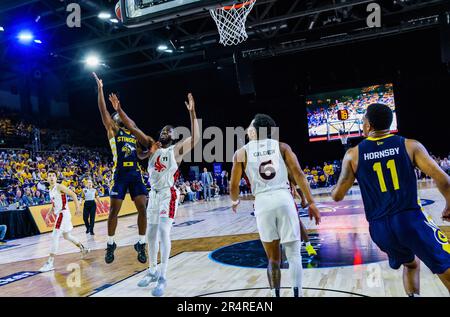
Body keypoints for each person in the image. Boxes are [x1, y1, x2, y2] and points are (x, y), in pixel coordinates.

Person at [331, 103, 450, 296]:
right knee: (445, 263)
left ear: (368, 125)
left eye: (363, 122)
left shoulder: (353, 154)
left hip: (379, 229)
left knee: (411, 264)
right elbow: (443, 179)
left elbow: (337, 195)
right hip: (409, 220)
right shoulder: (409, 145)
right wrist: (449, 205)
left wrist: (332, 190)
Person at [111, 92, 199, 297]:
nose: (165, 132)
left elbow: (196, 137)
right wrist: (119, 110)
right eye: (163, 130)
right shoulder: (151, 144)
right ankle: (151, 271)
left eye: (169, 131)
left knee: (163, 233)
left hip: (169, 195)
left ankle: (163, 276)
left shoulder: (176, 151)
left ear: (173, 137)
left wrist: (193, 112)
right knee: (150, 235)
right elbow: (133, 128)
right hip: (154, 195)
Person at [230, 113, 321, 297]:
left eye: (250, 126)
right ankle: (298, 293)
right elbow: (299, 175)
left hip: (262, 203)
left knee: (273, 258)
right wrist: (310, 201)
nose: (247, 128)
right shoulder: (282, 147)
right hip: (283, 198)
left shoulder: (241, 153)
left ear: (255, 131)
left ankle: (275, 295)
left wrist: (234, 200)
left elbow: (233, 184)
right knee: (294, 255)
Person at [93, 73, 149, 264]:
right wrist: (100, 89)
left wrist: (149, 153)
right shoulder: (113, 131)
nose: (121, 119)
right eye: (118, 117)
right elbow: (103, 112)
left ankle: (141, 243)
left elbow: (140, 155)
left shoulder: (132, 135)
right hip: (120, 175)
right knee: (113, 211)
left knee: (143, 208)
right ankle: (110, 244)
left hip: (135, 173)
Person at [39, 170, 90, 272]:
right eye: (50, 176)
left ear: (56, 178)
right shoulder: (50, 190)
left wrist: (78, 208)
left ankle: (50, 262)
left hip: (63, 214)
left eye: (54, 175)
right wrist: (49, 214)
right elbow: (53, 205)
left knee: (54, 236)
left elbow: (73, 194)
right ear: (47, 179)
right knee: (67, 236)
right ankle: (83, 249)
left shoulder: (59, 187)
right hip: (61, 214)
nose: (52, 177)